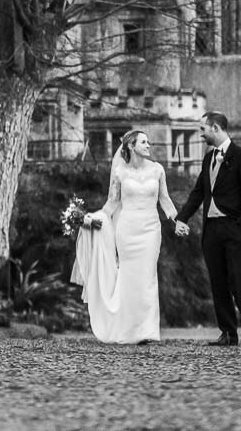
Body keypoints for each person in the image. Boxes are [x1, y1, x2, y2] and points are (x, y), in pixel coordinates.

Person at [70, 129, 178, 344]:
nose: (148, 146)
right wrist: (92, 217)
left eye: (148, 142)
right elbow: (112, 203)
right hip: (127, 229)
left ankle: (147, 330)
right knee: (129, 277)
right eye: (144, 142)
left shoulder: (157, 170)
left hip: (150, 229)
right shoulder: (120, 173)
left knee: (147, 276)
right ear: (131, 146)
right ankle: (128, 329)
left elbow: (165, 200)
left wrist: (177, 220)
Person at [175, 110, 241, 347]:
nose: (200, 134)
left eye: (202, 129)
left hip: (234, 228)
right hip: (211, 230)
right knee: (218, 282)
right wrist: (182, 218)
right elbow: (198, 193)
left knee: (239, 281)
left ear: (215, 128)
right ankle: (228, 333)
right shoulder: (208, 158)